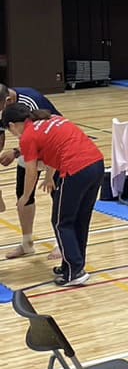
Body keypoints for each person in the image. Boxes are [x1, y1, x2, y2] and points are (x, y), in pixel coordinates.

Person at [0, 104, 104, 286]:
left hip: (75, 171)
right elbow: (58, 147)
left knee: (61, 222)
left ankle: (74, 272)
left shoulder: (28, 136)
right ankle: (72, 266)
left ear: (12, 125)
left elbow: (31, 172)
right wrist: (49, 177)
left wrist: (25, 197)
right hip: (97, 165)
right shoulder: (51, 119)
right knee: (79, 220)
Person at [0, 83, 61, 258]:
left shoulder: (32, 101)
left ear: (8, 101)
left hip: (53, 148)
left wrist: (15, 152)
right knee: (22, 194)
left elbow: (43, 137)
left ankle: (61, 243)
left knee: (57, 194)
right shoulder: (3, 106)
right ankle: (27, 243)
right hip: (29, 148)